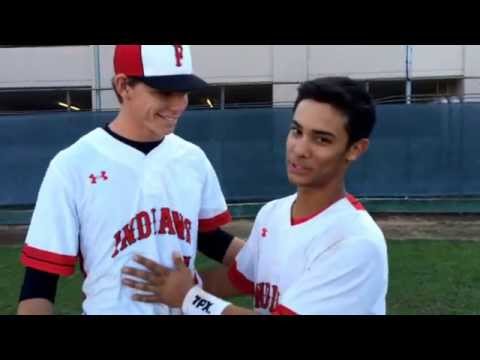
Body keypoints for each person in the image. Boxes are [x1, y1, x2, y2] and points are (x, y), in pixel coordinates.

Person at [122, 77, 389, 315]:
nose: (300, 149)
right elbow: (241, 278)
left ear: (355, 149)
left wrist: (189, 297)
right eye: (297, 131)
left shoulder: (354, 242)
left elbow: (192, 296)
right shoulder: (273, 213)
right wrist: (161, 288)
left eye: (321, 140)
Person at [17, 45, 244, 315]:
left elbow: (208, 238)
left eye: (183, 92)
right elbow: (40, 282)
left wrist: (275, 258)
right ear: (124, 86)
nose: (178, 104)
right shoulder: (72, 165)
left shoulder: (192, 158)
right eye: (164, 92)